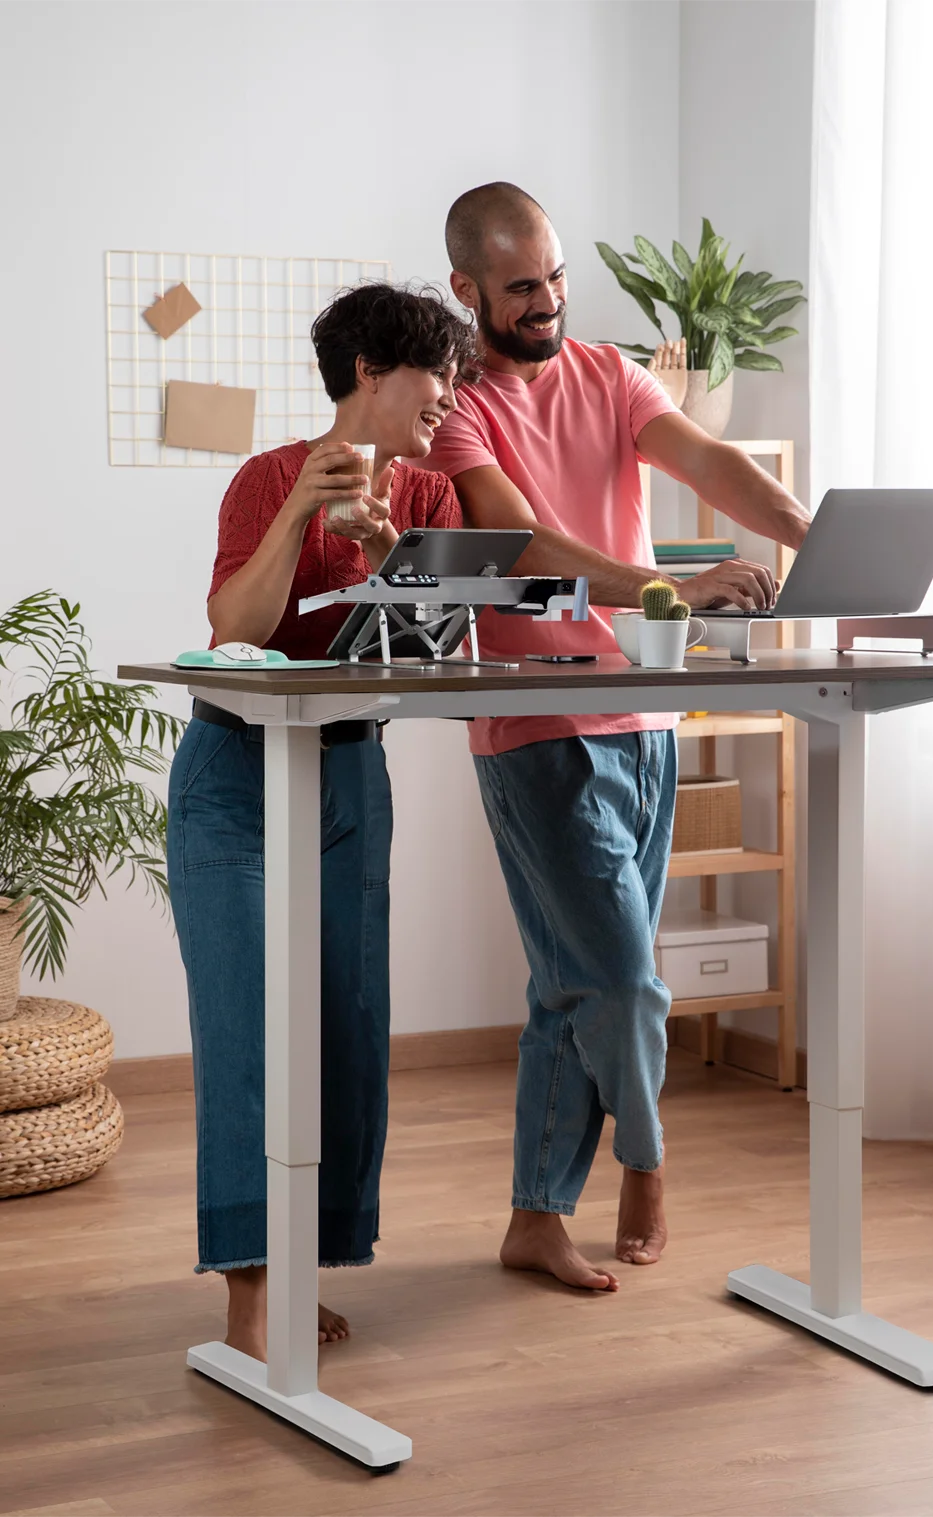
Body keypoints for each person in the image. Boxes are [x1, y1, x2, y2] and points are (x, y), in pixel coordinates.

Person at [420, 183, 811, 1293]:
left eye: (553, 277)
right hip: (536, 728)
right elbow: (521, 539)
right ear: (466, 289)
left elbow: (707, 461)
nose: (546, 300)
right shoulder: (457, 409)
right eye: (520, 287)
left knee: (571, 982)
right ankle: (646, 1160)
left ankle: (534, 1216)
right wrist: (662, 586)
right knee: (627, 980)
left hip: (644, 718)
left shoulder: (607, 372)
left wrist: (804, 528)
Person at [167, 283, 476, 1359]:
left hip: (348, 772)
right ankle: (251, 1297)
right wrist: (300, 508)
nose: (449, 400)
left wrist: (391, 553)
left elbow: (431, 654)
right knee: (245, 1032)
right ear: (370, 374)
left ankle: (307, 1261)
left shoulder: (431, 496)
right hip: (234, 773)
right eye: (436, 377)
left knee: (346, 1024)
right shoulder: (265, 477)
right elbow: (233, 628)